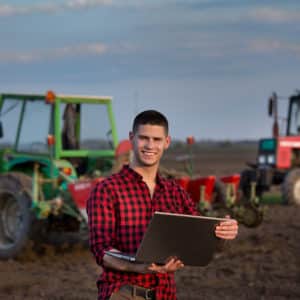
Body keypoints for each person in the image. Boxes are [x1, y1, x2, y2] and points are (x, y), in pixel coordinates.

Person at [87, 110, 239, 300]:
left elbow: (204, 240)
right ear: (131, 139)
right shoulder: (107, 190)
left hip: (165, 294)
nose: (150, 145)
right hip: (124, 293)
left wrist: (222, 232)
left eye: (157, 139)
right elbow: (102, 251)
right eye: (144, 138)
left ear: (166, 142)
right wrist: (140, 268)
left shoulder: (175, 193)